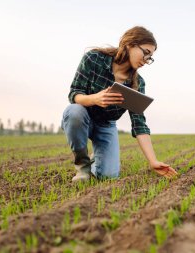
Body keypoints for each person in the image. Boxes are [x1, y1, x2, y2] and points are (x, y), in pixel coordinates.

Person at [61, 26, 178, 182]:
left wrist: (153, 161)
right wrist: (95, 99)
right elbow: (74, 94)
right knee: (73, 111)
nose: (146, 60)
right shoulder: (94, 58)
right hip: (84, 116)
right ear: (129, 44)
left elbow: (139, 124)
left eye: (150, 58)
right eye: (145, 53)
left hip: (106, 126)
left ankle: (97, 158)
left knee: (109, 177)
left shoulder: (137, 84)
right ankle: (83, 168)